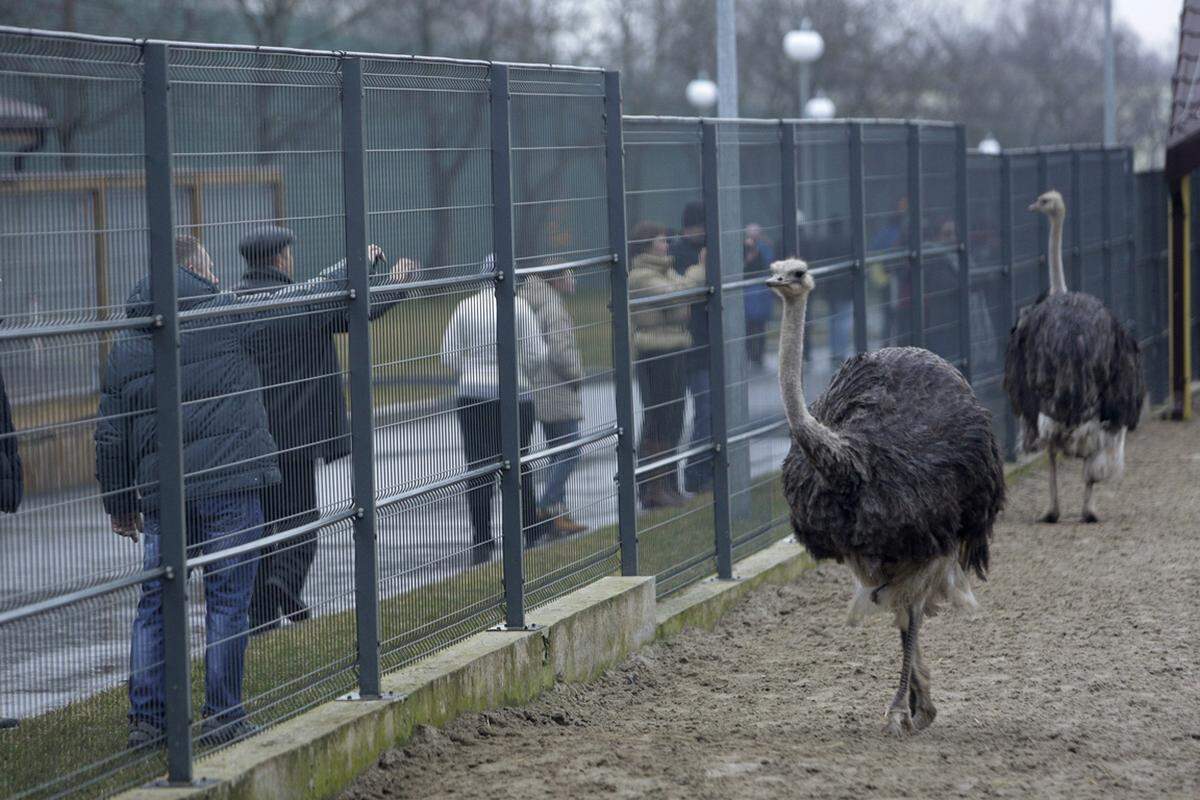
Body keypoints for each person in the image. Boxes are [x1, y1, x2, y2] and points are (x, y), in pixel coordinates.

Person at [95, 236, 393, 749]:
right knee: (228, 599)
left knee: (155, 601)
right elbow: (308, 299)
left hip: (164, 493)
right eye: (209, 267)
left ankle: (147, 722)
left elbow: (111, 434)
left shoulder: (126, 344)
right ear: (194, 271)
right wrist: (358, 262)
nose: (216, 275)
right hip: (231, 482)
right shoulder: (226, 314)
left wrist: (121, 503)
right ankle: (223, 714)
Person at [237, 226, 413, 632]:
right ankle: (285, 579)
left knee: (264, 524)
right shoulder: (302, 303)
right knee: (303, 519)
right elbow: (359, 309)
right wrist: (398, 283)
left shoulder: (235, 304)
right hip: (300, 434)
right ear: (281, 259)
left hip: (253, 436)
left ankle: (262, 618)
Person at [440, 255, 548, 564]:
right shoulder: (519, 307)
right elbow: (536, 354)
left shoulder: (466, 307)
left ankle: (482, 539)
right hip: (515, 393)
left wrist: (470, 371)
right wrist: (519, 371)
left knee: (478, 466)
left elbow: (449, 356)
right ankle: (527, 529)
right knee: (518, 462)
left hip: (473, 394)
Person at [629, 222, 694, 509]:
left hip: (675, 348)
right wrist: (693, 276)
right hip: (655, 354)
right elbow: (678, 300)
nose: (666, 245)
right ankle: (652, 488)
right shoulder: (641, 275)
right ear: (646, 245)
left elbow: (682, 306)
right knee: (658, 418)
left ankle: (670, 483)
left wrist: (680, 293)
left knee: (675, 418)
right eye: (661, 240)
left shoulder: (666, 272)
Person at [518, 268, 587, 536]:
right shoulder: (553, 308)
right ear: (557, 280)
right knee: (570, 450)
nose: (573, 280)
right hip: (558, 386)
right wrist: (577, 374)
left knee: (556, 451)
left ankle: (559, 514)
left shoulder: (531, 303)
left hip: (538, 384)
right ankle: (545, 505)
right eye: (570, 275)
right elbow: (560, 350)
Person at [669, 201, 712, 494]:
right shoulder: (679, 255)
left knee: (711, 412)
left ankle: (705, 470)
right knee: (700, 412)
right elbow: (684, 292)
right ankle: (694, 474)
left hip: (709, 345)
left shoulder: (710, 248)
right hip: (689, 348)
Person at [742, 224, 775, 368]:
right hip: (749, 294)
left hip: (759, 294)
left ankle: (759, 355)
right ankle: (750, 354)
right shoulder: (743, 248)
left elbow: (768, 266)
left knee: (760, 327)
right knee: (749, 327)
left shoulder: (765, 248)